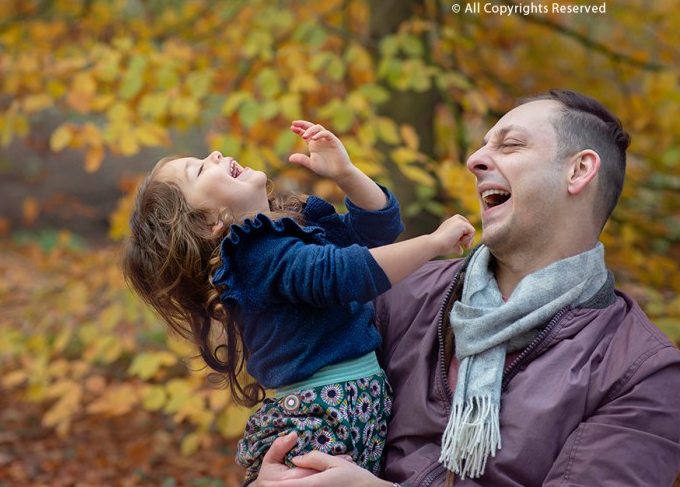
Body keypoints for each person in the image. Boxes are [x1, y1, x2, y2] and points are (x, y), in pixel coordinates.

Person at [252, 90, 680, 486]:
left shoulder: (643, 371)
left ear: (579, 170)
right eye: (482, 145)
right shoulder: (398, 295)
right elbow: (306, 414)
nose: (475, 159)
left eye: (510, 145)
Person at [122, 119, 475, 483]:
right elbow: (344, 275)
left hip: (348, 407)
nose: (212, 153)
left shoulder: (293, 228)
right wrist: (434, 244)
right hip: (318, 417)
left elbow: (377, 231)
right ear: (207, 222)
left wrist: (347, 174)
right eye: (198, 170)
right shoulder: (254, 258)